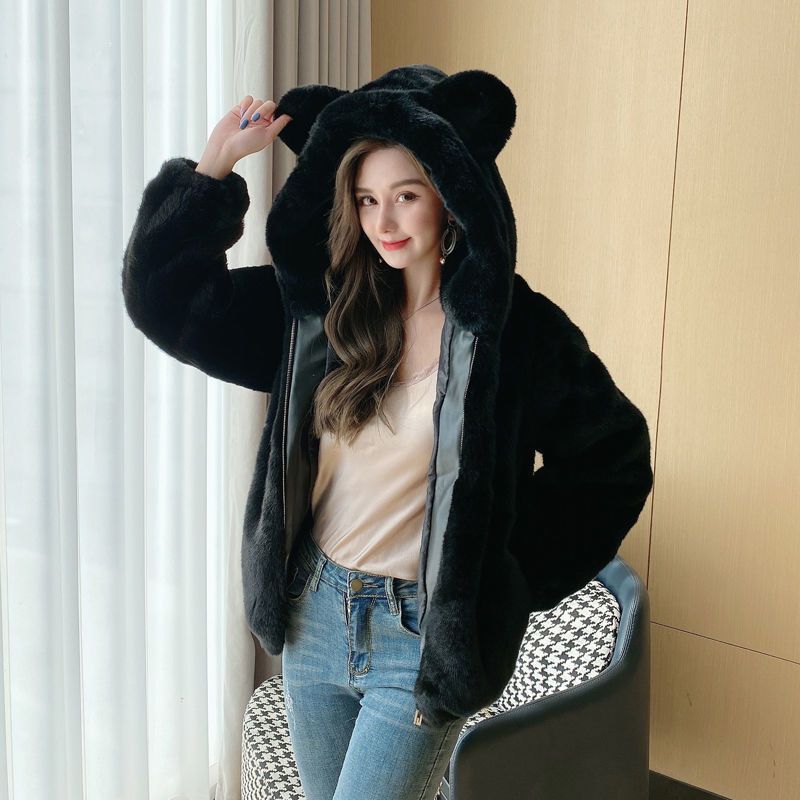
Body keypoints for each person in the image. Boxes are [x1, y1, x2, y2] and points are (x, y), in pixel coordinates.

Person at [121, 64, 654, 800]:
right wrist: (213, 169)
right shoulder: (322, 313)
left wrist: (496, 577)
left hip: (419, 641)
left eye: (406, 195)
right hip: (314, 616)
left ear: (450, 197)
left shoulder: (511, 331)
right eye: (367, 200)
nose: (385, 223)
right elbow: (169, 304)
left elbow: (613, 459)